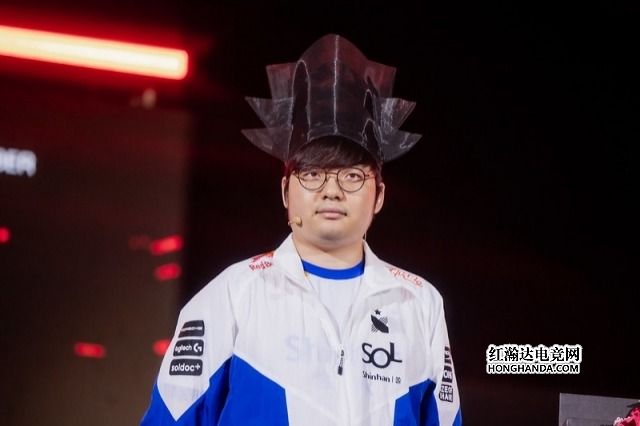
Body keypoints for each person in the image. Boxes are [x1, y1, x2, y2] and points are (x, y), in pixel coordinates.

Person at [140, 34, 462, 425]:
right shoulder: (233, 294)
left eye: (352, 176)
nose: (331, 191)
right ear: (285, 192)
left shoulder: (418, 304)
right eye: (312, 174)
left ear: (378, 196)